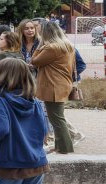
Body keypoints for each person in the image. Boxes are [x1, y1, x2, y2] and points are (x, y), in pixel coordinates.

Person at [32, 21, 77, 154]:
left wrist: (39, 45)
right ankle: (59, 146)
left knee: (56, 118)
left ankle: (64, 148)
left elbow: (34, 61)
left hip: (53, 85)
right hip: (62, 83)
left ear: (45, 33)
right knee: (57, 117)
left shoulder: (52, 48)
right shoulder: (67, 45)